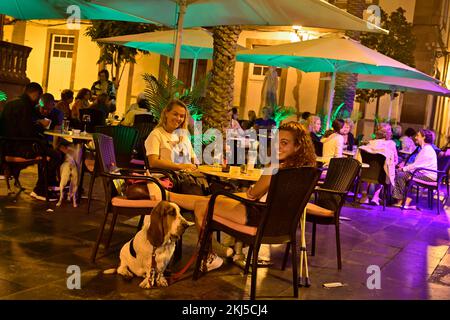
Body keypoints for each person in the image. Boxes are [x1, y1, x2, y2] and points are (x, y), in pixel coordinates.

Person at [161, 122, 316, 271]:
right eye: (276, 142)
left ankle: (210, 254)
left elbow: (253, 194)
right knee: (209, 199)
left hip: (257, 216)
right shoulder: (304, 171)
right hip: (277, 224)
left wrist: (250, 191)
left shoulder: (276, 167)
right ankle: (167, 195)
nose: (278, 147)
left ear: (297, 146)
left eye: (284, 143)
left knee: (203, 205)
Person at [1, 83, 61, 201]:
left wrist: (37, 124)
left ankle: (48, 185)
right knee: (55, 155)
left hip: (6, 146)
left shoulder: (12, 103)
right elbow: (27, 131)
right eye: (39, 97)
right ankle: (40, 190)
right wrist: (40, 125)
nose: (39, 101)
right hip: (19, 147)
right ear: (36, 94)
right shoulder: (25, 106)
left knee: (47, 148)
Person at [145, 99, 197, 171]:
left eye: (182, 116)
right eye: (175, 114)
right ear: (166, 113)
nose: (178, 118)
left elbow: (193, 159)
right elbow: (153, 162)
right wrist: (180, 166)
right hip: (165, 177)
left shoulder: (184, 136)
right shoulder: (156, 134)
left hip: (185, 177)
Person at [392, 129, 437, 209]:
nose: (415, 137)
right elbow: (417, 165)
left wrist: (403, 169)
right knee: (403, 174)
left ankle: (402, 200)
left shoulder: (427, 149)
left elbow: (416, 165)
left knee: (401, 175)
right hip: (423, 173)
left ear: (424, 137)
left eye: (418, 136)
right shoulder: (425, 148)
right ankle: (402, 199)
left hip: (428, 176)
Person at [357, 123, 398, 205]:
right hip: (381, 175)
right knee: (386, 170)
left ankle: (364, 196)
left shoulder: (370, 143)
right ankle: (376, 197)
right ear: (389, 133)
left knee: (362, 170)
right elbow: (395, 160)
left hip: (366, 173)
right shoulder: (391, 144)